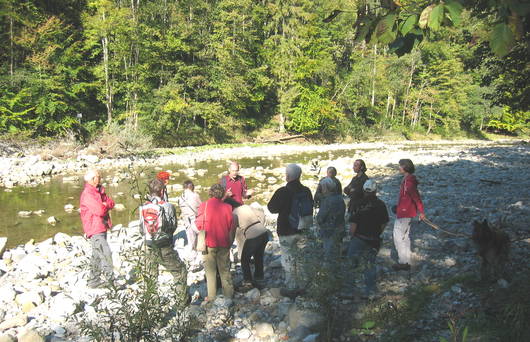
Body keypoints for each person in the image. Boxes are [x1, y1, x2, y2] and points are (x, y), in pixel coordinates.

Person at [139, 178, 188, 301]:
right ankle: (181, 302)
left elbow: (141, 228)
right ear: (162, 191)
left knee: (151, 276)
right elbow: (173, 226)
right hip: (164, 245)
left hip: (148, 245)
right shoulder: (168, 206)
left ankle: (152, 306)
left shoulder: (142, 207)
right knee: (179, 271)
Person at [267, 164, 313, 293]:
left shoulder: (283, 191)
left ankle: (292, 287)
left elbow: (271, 208)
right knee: (302, 258)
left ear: (287, 176)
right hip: (304, 230)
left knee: (288, 259)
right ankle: (303, 286)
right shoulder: (307, 190)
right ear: (300, 175)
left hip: (286, 230)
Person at [347, 179, 389, 298]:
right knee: (369, 265)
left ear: (364, 190)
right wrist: (377, 232)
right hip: (374, 239)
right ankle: (370, 291)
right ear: (375, 191)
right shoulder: (381, 205)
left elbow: (353, 224)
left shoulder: (358, 204)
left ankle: (349, 290)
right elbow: (384, 223)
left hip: (359, 238)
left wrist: (352, 236)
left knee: (351, 264)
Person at [196, 184, 235, 300]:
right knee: (225, 270)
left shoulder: (204, 205)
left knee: (210, 271)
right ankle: (229, 295)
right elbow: (230, 225)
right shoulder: (228, 207)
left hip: (208, 243)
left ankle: (212, 296)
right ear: (223, 194)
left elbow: (198, 224)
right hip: (224, 242)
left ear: (210, 192)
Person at [80, 169, 115, 288]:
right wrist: (104, 205)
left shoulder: (99, 190)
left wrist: (105, 205)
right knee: (105, 253)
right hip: (94, 228)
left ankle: (93, 280)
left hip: (102, 226)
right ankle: (111, 282)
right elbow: (99, 210)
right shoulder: (88, 194)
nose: (100, 179)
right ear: (92, 179)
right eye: (98, 177)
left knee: (96, 254)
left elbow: (111, 203)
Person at [392, 159, 426, 271]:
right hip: (406, 211)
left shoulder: (408, 182)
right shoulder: (407, 180)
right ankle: (407, 259)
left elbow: (416, 198)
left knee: (397, 236)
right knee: (405, 236)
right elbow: (406, 198)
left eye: (400, 166)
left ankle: (403, 262)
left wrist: (421, 212)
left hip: (405, 212)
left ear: (405, 167)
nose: (399, 168)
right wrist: (397, 207)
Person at [233, 204, 269, 289]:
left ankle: (248, 282)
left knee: (244, 259)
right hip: (264, 233)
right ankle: (259, 279)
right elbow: (261, 214)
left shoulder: (234, 213)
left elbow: (233, 231)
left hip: (253, 236)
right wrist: (261, 225)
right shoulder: (246, 207)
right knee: (258, 257)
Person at [316, 177, 346, 260]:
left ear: (325, 188)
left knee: (329, 255)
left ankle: (330, 271)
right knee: (337, 252)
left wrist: (319, 222)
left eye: (322, 187)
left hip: (329, 231)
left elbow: (320, 218)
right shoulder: (340, 198)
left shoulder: (327, 200)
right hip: (340, 228)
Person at [177, 180, 202, 263]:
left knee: (190, 236)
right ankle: (199, 254)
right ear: (192, 187)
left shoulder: (181, 197)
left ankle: (191, 254)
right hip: (194, 218)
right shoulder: (195, 195)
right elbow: (200, 206)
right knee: (199, 235)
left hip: (186, 219)